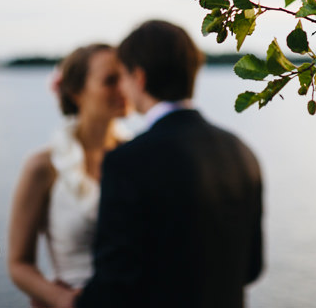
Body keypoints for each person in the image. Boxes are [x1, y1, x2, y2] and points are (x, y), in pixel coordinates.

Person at [74, 20, 264, 308]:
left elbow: (114, 285)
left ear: (138, 78)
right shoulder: (242, 153)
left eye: (123, 76)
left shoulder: (127, 162)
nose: (122, 87)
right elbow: (252, 268)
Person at [9, 44, 131, 308]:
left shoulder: (141, 157)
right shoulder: (42, 167)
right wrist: (61, 299)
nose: (123, 88)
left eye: (126, 76)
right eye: (111, 80)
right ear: (76, 92)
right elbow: (18, 263)